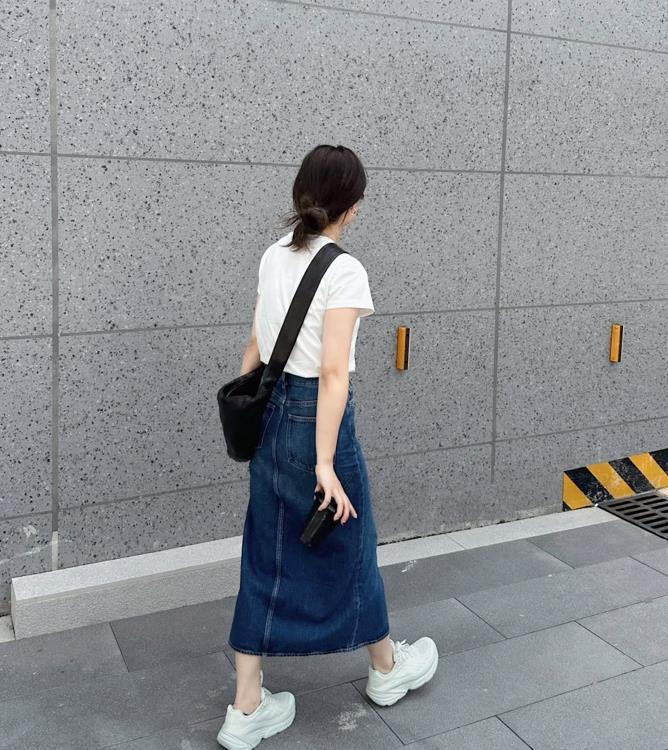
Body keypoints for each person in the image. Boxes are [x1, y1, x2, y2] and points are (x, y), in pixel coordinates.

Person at [217, 144, 438, 750]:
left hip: (272, 411)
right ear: (353, 205)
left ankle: (246, 706)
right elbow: (334, 372)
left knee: (264, 549)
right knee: (350, 538)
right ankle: (386, 669)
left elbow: (256, 345)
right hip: (319, 420)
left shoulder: (273, 255)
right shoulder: (344, 270)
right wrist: (323, 462)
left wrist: (248, 411)